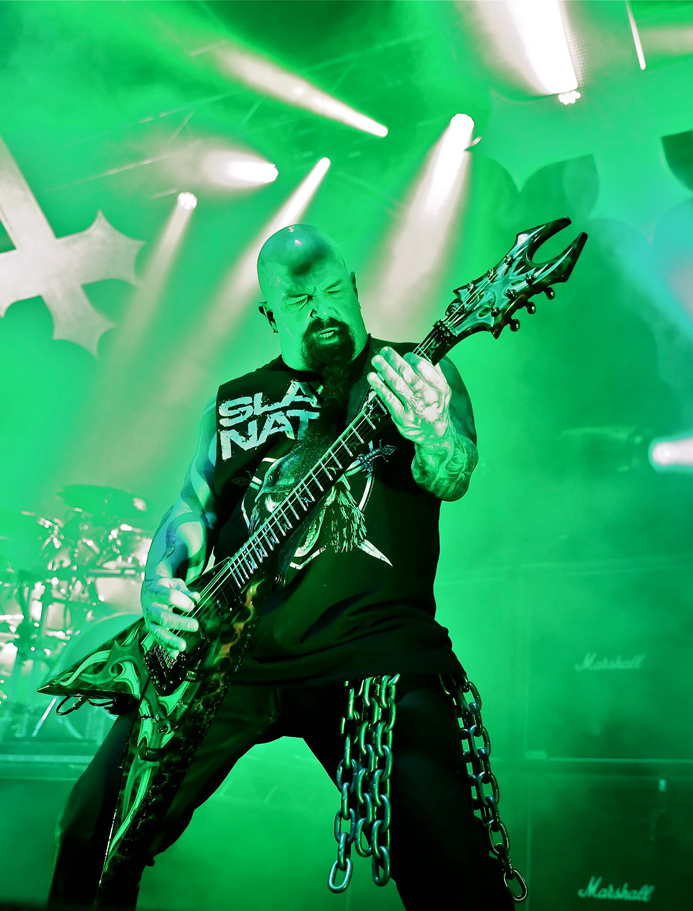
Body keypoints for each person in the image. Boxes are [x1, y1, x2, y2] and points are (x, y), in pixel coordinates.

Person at [49, 224, 517, 910]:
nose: (322, 310)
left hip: (373, 652)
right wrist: (158, 578)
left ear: (355, 286)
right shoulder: (233, 400)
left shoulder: (415, 375)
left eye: (333, 290)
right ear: (270, 312)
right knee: (90, 829)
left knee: (455, 872)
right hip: (227, 657)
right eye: (299, 299)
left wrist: (435, 432)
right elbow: (191, 507)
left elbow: (452, 474)